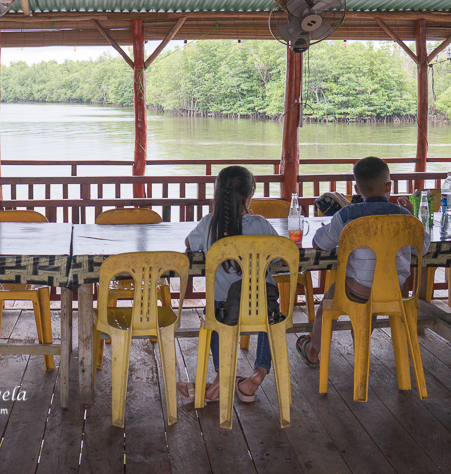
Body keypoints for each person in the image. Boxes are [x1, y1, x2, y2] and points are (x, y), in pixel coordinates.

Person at [296, 156, 429, 367]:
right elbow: (424, 248)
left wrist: (332, 227)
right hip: (393, 291)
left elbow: (319, 243)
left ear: (357, 189)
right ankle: (361, 346)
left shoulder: (347, 214)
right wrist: (414, 218)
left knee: (326, 306)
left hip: (357, 291)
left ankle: (313, 351)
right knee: (372, 305)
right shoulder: (405, 217)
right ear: (389, 186)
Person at [176, 165, 280, 404]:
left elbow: (188, 243)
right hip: (261, 308)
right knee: (269, 312)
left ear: (218, 194)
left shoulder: (209, 224)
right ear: (249, 195)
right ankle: (259, 372)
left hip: (226, 311)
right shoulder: (261, 224)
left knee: (210, 311)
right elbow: (279, 254)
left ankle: (222, 376)